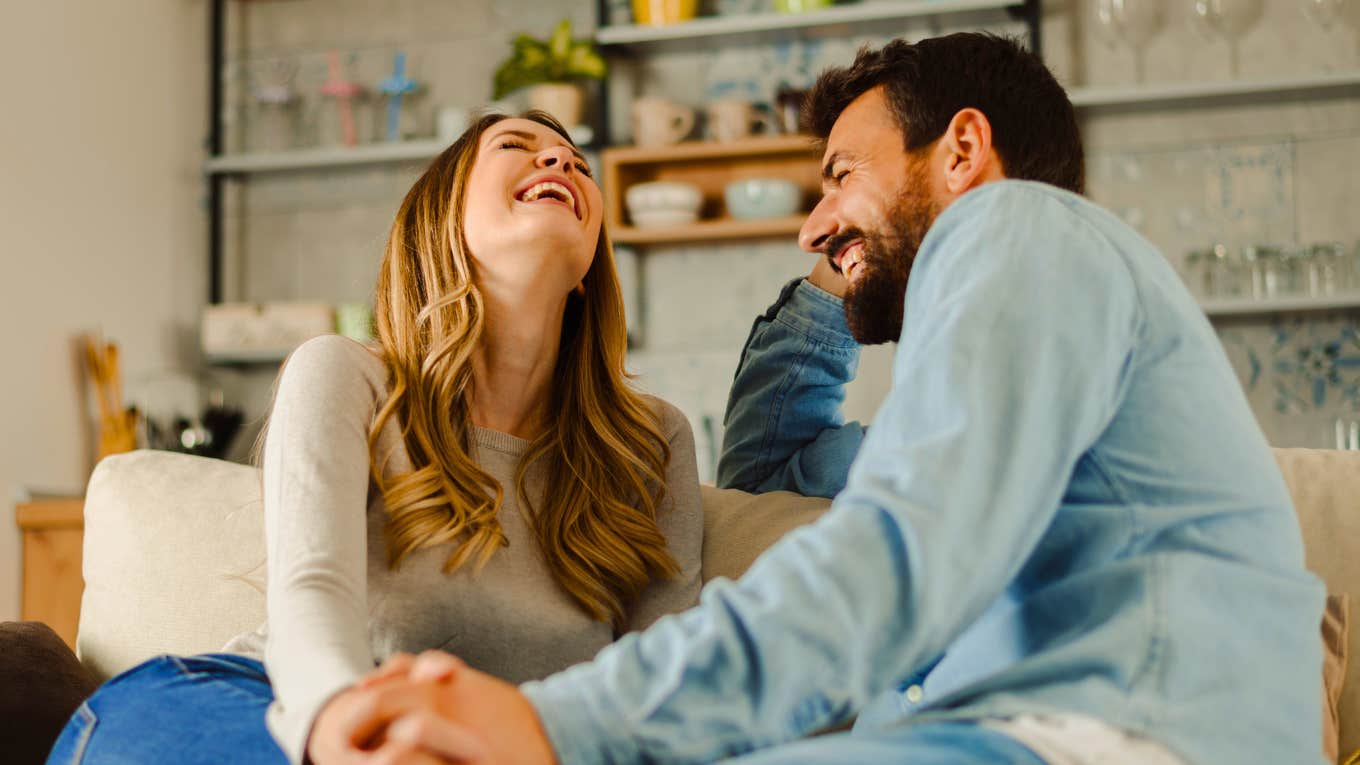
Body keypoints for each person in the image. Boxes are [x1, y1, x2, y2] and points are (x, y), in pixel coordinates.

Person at [337, 33, 1327, 765]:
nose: (810, 223)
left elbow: (899, 553)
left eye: (839, 174)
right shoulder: (1008, 365)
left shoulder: (1018, 227)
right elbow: (770, 469)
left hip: (1123, 739)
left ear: (961, 148)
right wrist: (853, 251)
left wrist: (555, 726)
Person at [44, 111, 704, 765]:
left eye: (578, 163)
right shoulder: (345, 372)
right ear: (441, 220)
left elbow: (663, 689)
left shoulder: (652, 443)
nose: (561, 161)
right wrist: (348, 730)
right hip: (256, 708)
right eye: (517, 146)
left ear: (589, 267)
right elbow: (312, 590)